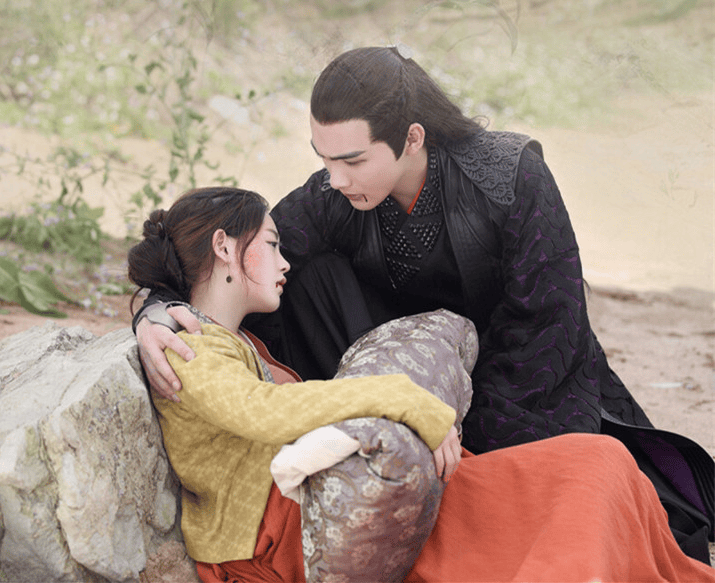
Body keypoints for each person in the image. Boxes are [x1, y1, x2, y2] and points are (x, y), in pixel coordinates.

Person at [133, 46, 714, 563]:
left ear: (413, 138)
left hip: (523, 388)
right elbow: (235, 259)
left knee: (590, 493)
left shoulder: (511, 178)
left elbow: (546, 327)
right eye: (324, 160)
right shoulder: (335, 193)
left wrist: (457, 431)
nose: (335, 179)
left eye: (353, 161)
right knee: (308, 274)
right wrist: (154, 309)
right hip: (414, 373)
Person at [127, 186, 715, 582]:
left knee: (599, 462)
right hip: (300, 532)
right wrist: (408, 400)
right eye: (273, 245)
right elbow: (262, 410)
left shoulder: (227, 337)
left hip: (346, 492)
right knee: (579, 495)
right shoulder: (187, 345)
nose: (285, 262)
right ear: (224, 247)